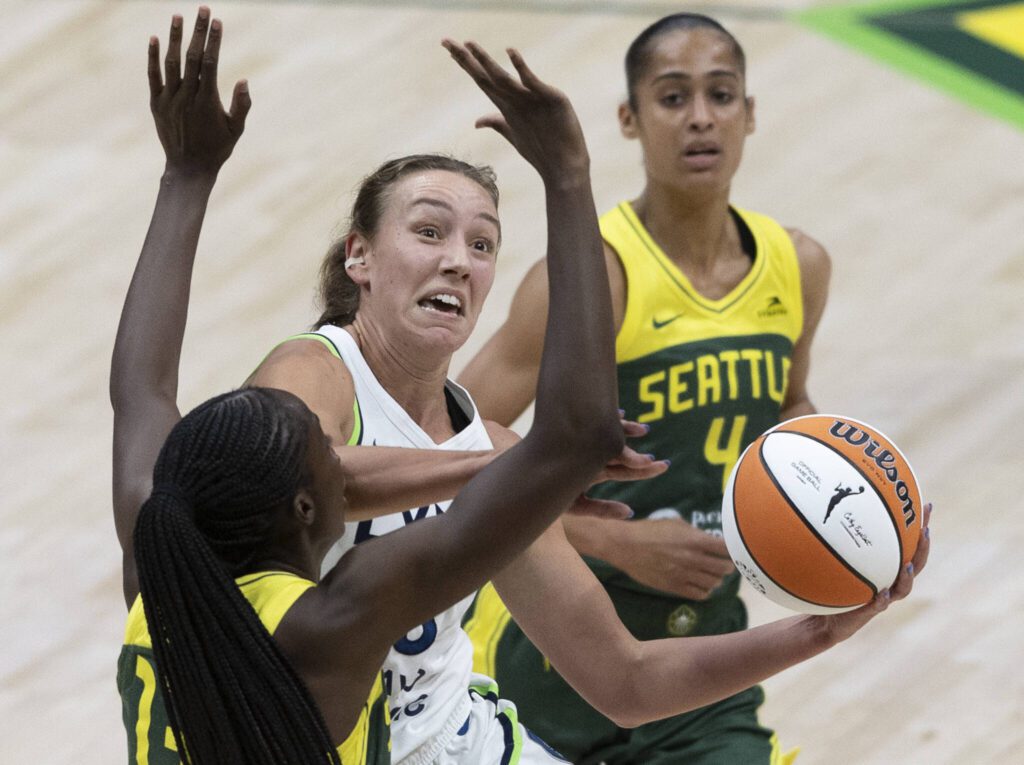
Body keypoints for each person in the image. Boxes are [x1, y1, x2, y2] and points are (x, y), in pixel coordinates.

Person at [246, 14, 932, 765]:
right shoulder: (324, 369)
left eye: (481, 244)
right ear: (360, 256)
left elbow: (628, 676)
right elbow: (319, 474)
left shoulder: (795, 266)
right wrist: (560, 495)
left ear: (751, 111)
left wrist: (826, 581)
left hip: (668, 635)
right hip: (488, 680)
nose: (457, 262)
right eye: (429, 232)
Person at [111, 8, 629, 763]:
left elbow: (142, 390)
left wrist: (187, 175)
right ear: (309, 508)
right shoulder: (332, 625)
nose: (352, 463)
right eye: (333, 460)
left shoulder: (152, 559)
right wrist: (569, 175)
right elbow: (579, 432)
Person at [457, 12, 912, 764]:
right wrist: (616, 539)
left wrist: (844, 494)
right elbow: (446, 440)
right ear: (630, 120)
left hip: (707, 651)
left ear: (750, 113)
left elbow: (789, 403)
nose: (700, 117)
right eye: (673, 98)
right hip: (556, 641)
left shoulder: (797, 266)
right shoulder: (591, 277)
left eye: (721, 94)